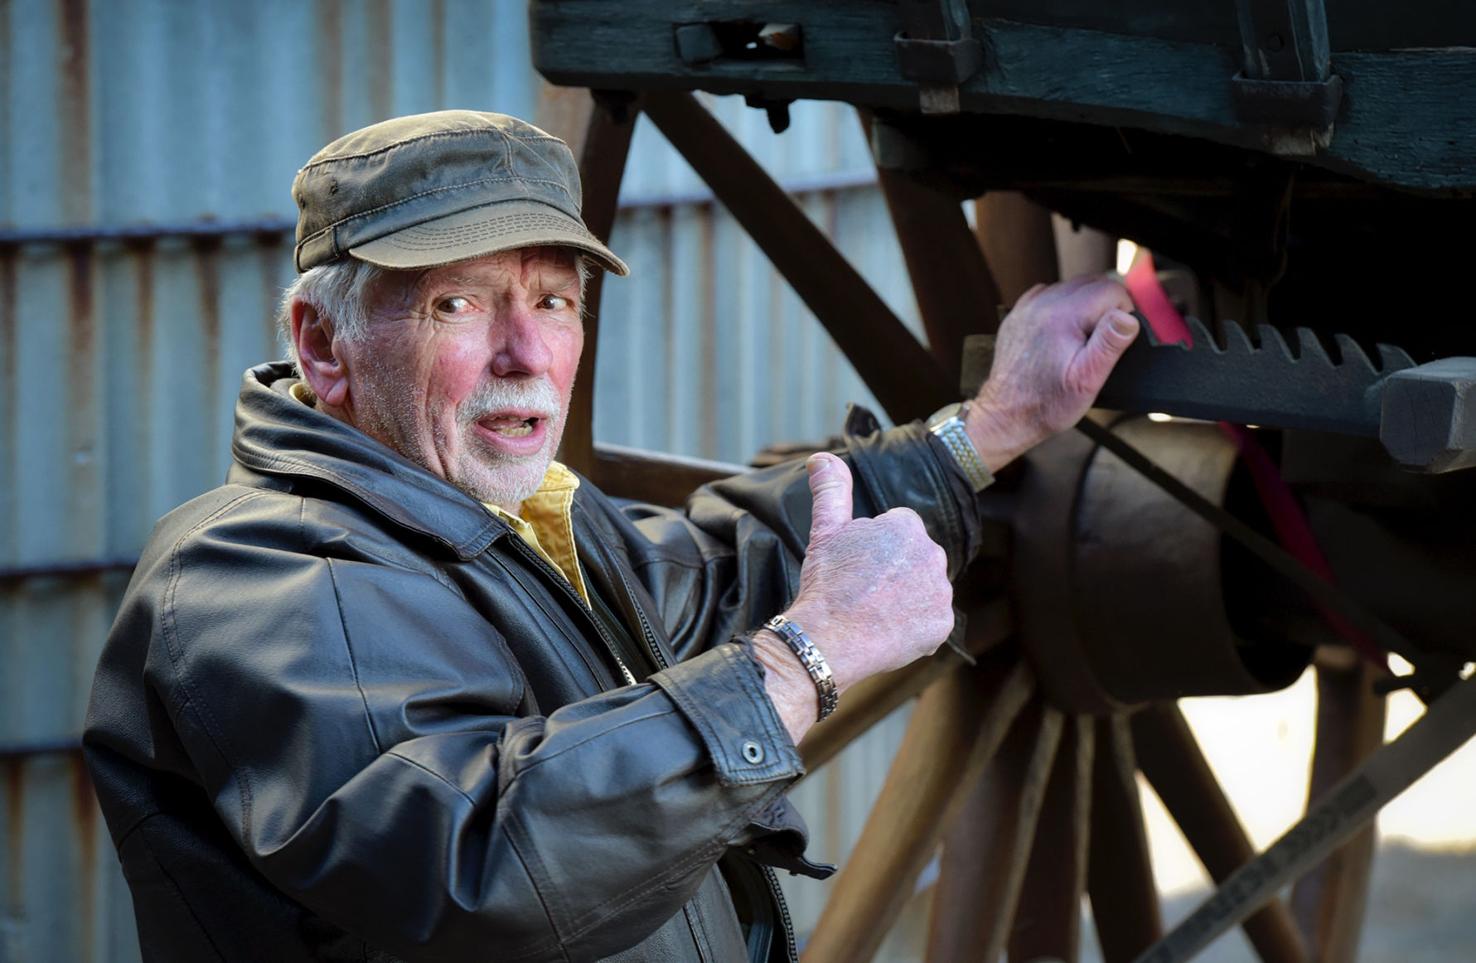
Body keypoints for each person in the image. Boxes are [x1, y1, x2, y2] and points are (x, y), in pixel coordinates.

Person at [83, 110, 1139, 962]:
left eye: (555, 299)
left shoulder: (527, 520)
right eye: (458, 304)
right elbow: (475, 867)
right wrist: (804, 660)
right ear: (324, 346)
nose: (526, 353)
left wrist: (991, 425)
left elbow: (718, 577)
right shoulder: (255, 576)